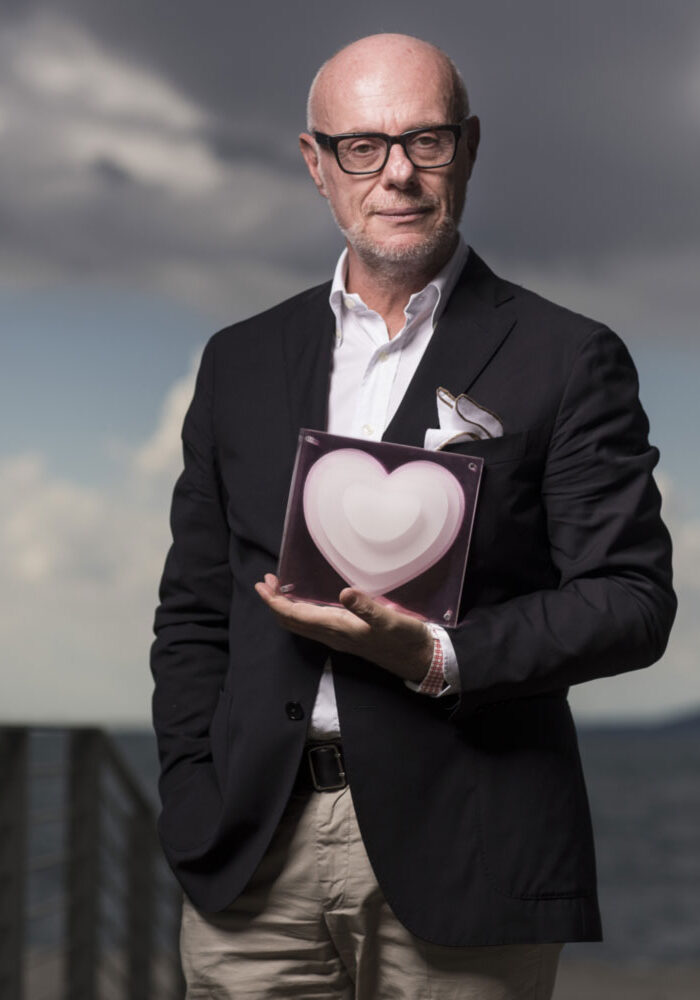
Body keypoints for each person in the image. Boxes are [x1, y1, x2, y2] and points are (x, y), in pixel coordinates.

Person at [150, 33, 676, 999]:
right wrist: (192, 786)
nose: (396, 173)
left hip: (471, 842)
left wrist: (436, 654)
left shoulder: (567, 357)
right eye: (362, 146)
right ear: (316, 164)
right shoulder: (239, 361)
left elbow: (632, 601)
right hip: (251, 851)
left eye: (425, 141)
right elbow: (193, 609)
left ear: (468, 148)